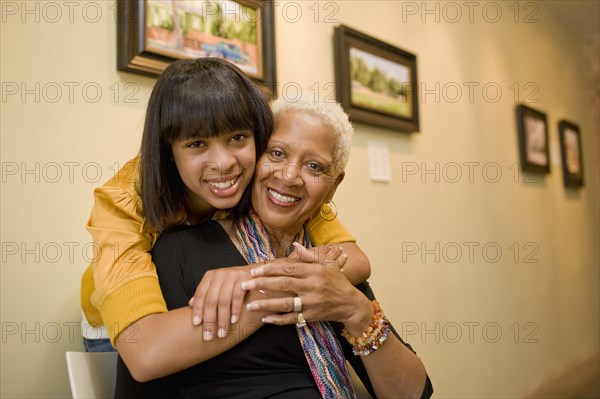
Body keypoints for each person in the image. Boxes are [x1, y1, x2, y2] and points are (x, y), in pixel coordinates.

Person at [115, 97, 433, 398]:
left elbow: (411, 392)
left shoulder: (329, 264)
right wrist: (275, 285)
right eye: (277, 153)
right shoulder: (180, 251)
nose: (290, 176)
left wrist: (357, 311)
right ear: (254, 159)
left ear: (333, 186)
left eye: (315, 167)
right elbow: (142, 378)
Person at [80, 58, 370, 351]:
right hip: (119, 325)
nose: (224, 163)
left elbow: (354, 260)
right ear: (169, 150)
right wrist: (268, 281)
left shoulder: (267, 177)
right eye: (196, 144)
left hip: (215, 310)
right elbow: (143, 347)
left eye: (237, 138)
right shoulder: (124, 199)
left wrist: (252, 275)